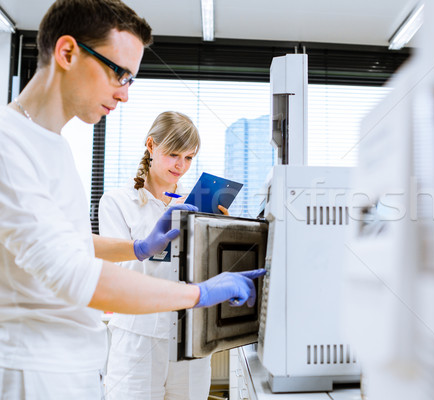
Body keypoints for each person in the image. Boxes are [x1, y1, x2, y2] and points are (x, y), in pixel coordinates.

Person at [0, 1, 265, 399]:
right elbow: (74, 273)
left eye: (131, 80)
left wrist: (140, 248)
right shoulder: (9, 144)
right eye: (118, 73)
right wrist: (200, 294)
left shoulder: (54, 148)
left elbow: (70, 244)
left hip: (75, 363)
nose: (124, 94)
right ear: (67, 52)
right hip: (32, 370)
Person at [99, 111, 226, 399]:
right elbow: (115, 269)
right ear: (151, 146)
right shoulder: (117, 202)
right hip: (137, 336)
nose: (181, 165)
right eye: (173, 154)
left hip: (190, 337)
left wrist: (222, 231)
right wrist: (147, 243)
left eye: (189, 157)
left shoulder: (196, 206)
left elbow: (208, 270)